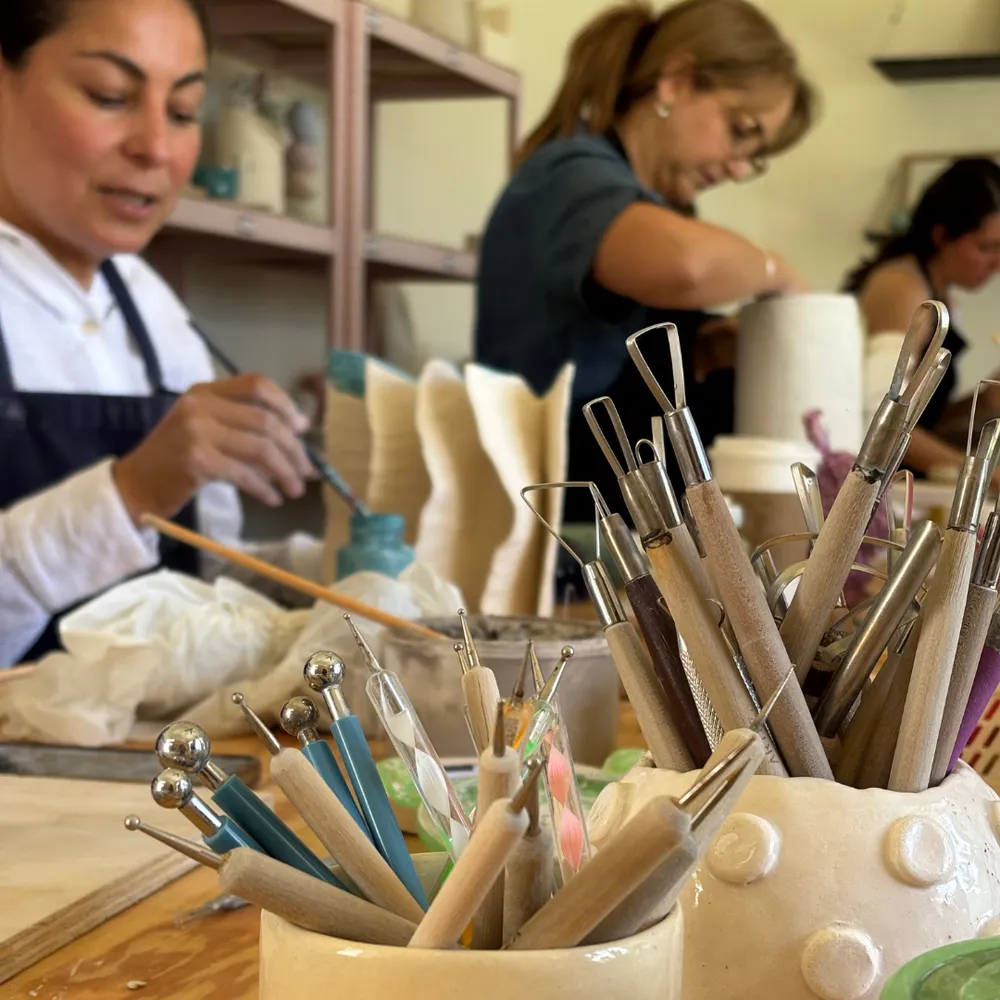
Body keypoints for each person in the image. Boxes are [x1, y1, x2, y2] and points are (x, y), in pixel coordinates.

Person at [0, 0, 325, 666]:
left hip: (149, 753)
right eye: (110, 96)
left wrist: (324, 569)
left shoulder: (151, 305)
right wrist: (133, 492)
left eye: (182, 112)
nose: (155, 147)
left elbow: (193, 583)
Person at [474, 0, 815, 521]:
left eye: (755, 156)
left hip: (617, 526)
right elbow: (686, 266)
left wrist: (715, 347)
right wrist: (776, 271)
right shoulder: (572, 175)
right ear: (675, 81)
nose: (738, 167)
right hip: (558, 527)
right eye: (740, 130)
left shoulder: (644, 202)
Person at [845, 158, 1000, 483]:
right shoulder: (903, 289)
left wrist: (985, 398)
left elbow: (921, 417)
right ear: (942, 234)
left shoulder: (943, 294)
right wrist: (982, 476)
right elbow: (883, 421)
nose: (997, 263)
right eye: (987, 247)